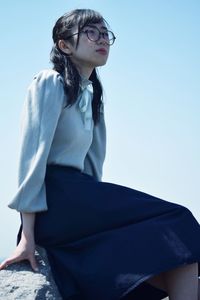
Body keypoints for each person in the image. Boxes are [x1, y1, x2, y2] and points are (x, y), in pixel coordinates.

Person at [0, 8, 199, 300]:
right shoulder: (49, 82)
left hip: (81, 201)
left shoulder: (93, 96)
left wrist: (102, 225)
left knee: (178, 261)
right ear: (64, 45)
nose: (101, 39)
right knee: (178, 219)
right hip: (55, 202)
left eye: (105, 33)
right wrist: (27, 236)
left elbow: (93, 167)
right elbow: (32, 159)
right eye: (91, 32)